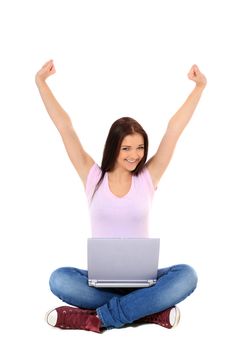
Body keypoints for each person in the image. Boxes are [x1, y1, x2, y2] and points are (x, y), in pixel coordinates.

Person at [35, 60, 207, 333]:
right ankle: (148, 313)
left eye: (140, 148)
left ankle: (97, 319)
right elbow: (65, 128)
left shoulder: (148, 177)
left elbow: (173, 131)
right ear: (113, 147)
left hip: (144, 280)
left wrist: (200, 87)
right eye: (126, 148)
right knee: (59, 279)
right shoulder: (92, 176)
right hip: (100, 281)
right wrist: (41, 83)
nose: (134, 155)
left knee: (187, 275)